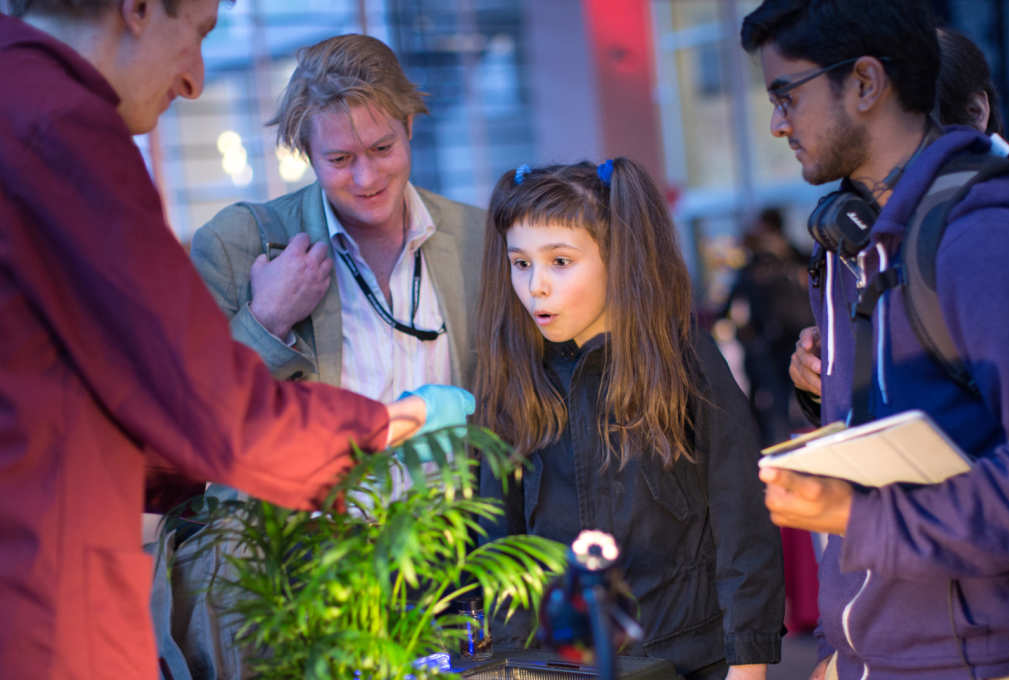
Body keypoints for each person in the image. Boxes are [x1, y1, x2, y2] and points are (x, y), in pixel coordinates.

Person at [0, 2, 471, 678]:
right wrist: (390, 425)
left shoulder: (22, 104)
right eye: (200, 33)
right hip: (46, 599)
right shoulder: (62, 127)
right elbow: (207, 410)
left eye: (381, 149)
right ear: (136, 10)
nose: (194, 79)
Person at [741, 1, 1009, 679]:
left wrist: (853, 518)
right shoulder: (851, 240)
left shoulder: (986, 237)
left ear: (864, 84)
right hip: (875, 655)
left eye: (787, 96)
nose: (778, 124)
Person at [474, 158, 785, 679]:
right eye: (521, 263)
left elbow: (742, 517)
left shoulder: (682, 358)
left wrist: (749, 661)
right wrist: (510, 653)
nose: (536, 287)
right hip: (560, 663)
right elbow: (499, 541)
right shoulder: (514, 375)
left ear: (616, 259)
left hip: (687, 656)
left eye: (560, 262)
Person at [191, 33, 485, 400]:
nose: (367, 178)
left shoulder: (478, 236)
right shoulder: (235, 245)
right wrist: (267, 320)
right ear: (307, 153)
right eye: (340, 160)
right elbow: (195, 406)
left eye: (382, 148)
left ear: (409, 126)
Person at [724, 206, 812, 446]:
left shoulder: (797, 258)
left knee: (798, 403)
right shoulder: (754, 264)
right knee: (772, 407)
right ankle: (778, 449)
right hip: (765, 348)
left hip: (796, 341)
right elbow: (732, 302)